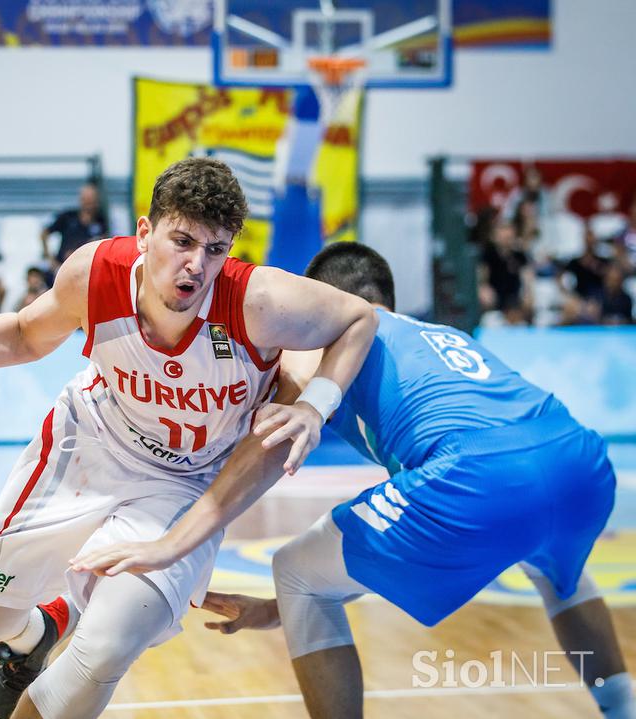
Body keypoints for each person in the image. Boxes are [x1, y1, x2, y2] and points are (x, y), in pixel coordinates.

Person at [74, 242, 633, 719]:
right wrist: (282, 610)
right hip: (578, 462)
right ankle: (622, 708)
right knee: (561, 572)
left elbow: (257, 448)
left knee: (296, 570)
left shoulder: (324, 339)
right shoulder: (438, 335)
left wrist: (184, 543)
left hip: (479, 473)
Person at [0, 157, 378, 719]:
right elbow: (27, 334)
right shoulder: (95, 273)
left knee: (106, 645)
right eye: (182, 241)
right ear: (145, 233)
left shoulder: (259, 302)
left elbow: (359, 317)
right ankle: (36, 633)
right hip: (93, 441)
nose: (196, 266)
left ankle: (63, 630)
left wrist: (316, 406)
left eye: (215, 249)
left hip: (187, 481)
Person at [40, 183, 107, 270]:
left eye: (92, 200)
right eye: (86, 199)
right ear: (80, 200)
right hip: (63, 267)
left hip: (87, 269)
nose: (89, 203)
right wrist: (49, 258)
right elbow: (44, 233)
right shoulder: (68, 217)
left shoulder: (102, 221)